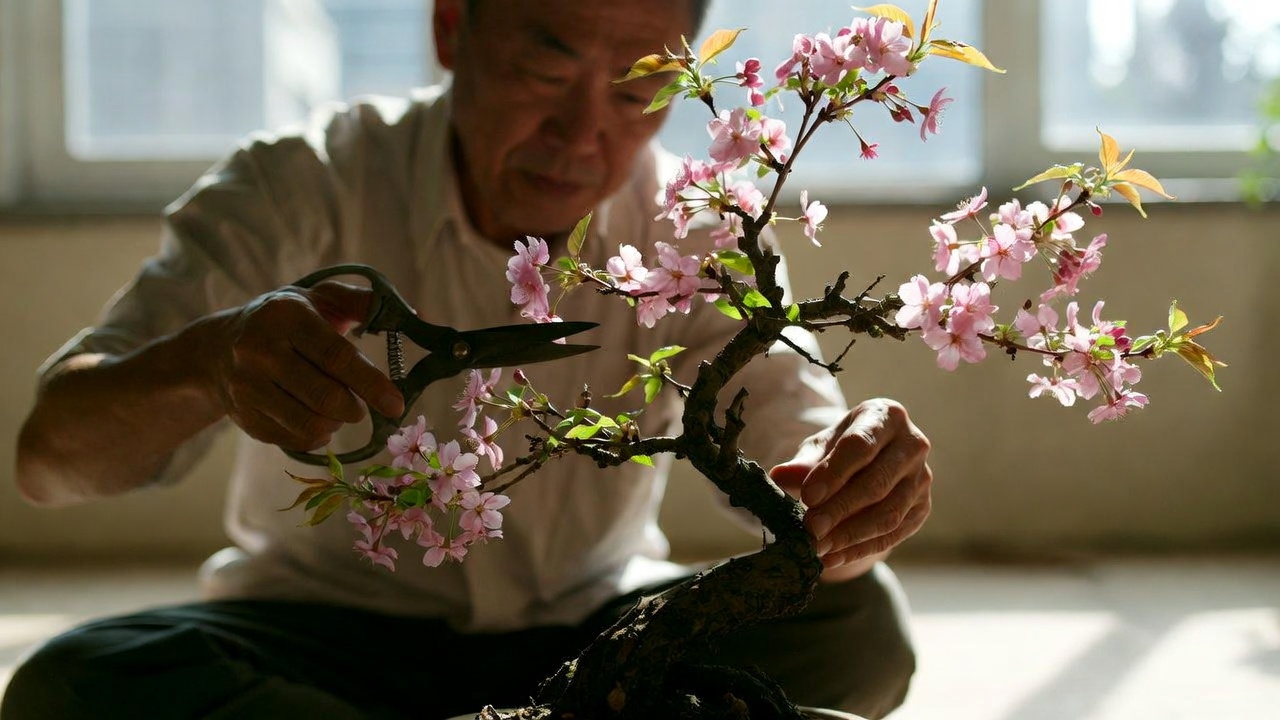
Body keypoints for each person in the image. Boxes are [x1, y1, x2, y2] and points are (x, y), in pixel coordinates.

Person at [4, 1, 933, 718]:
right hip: (323, 638)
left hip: (599, 632)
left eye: (635, 90)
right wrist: (208, 363)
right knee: (76, 684)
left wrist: (850, 484)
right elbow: (49, 459)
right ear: (452, 27)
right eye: (545, 62)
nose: (580, 136)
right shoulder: (299, 186)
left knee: (860, 628)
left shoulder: (698, 228)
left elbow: (798, 428)